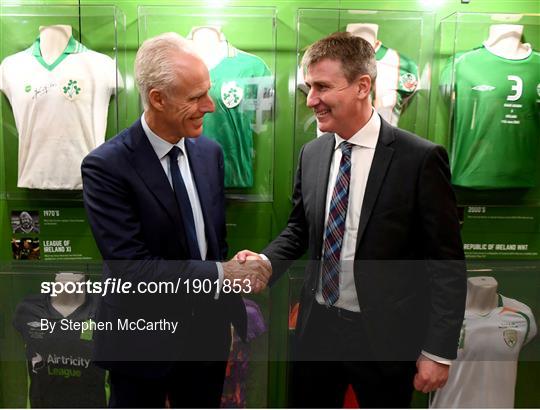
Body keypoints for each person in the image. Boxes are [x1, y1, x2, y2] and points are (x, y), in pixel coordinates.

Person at [237, 32, 466, 408]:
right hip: (317, 331)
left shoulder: (419, 160)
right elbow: (299, 229)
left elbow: (446, 263)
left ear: (362, 86)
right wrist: (264, 263)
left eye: (323, 87)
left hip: (385, 339)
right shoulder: (311, 153)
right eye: (309, 87)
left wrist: (438, 351)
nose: (311, 100)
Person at [81, 32, 270, 408]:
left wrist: (235, 268)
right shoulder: (106, 166)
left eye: (208, 91)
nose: (211, 106)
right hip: (142, 345)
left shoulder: (209, 153)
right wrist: (220, 274)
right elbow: (131, 269)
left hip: (207, 342)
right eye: (196, 97)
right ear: (157, 98)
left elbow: (212, 243)